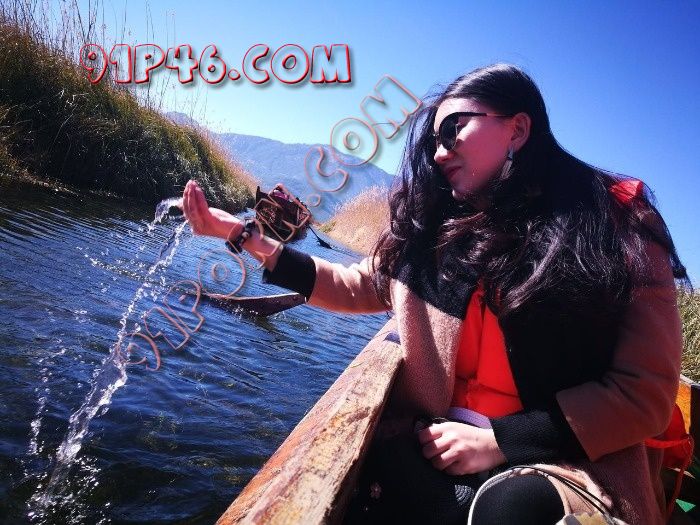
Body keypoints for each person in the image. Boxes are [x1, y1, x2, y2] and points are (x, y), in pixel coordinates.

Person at [181, 63, 689, 524]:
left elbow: (643, 394)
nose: (440, 152)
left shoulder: (615, 225)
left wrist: (499, 443)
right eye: (432, 141)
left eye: (453, 130)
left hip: (565, 461)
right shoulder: (437, 228)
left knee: (510, 511)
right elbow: (355, 285)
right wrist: (244, 236)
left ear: (517, 128)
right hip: (432, 442)